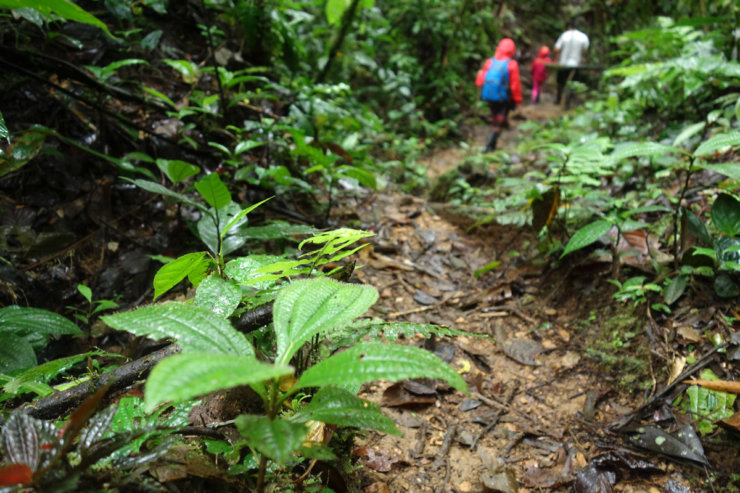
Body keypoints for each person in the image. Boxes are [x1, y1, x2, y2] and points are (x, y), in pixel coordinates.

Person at [475, 38, 522, 151]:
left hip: (490, 97)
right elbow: (515, 85)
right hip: (504, 99)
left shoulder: (490, 61)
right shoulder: (511, 64)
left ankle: (491, 145)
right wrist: (517, 100)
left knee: (495, 118)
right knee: (498, 121)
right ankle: (489, 146)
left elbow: (480, 81)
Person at [553, 20, 589, 108]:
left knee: (560, 83)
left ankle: (558, 100)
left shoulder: (564, 35)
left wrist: (556, 57)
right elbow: (585, 50)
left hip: (563, 64)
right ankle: (567, 103)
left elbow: (556, 49)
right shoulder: (583, 36)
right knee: (572, 84)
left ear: (569, 27)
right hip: (575, 65)